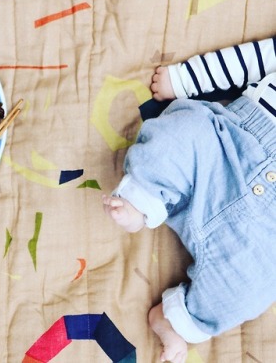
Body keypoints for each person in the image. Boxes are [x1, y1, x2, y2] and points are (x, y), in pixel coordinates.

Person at [103, 36, 276, 363]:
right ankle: (142, 197)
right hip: (233, 146)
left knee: (252, 288)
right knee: (185, 131)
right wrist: (185, 79)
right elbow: (245, 62)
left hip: (265, 229)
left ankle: (177, 321)